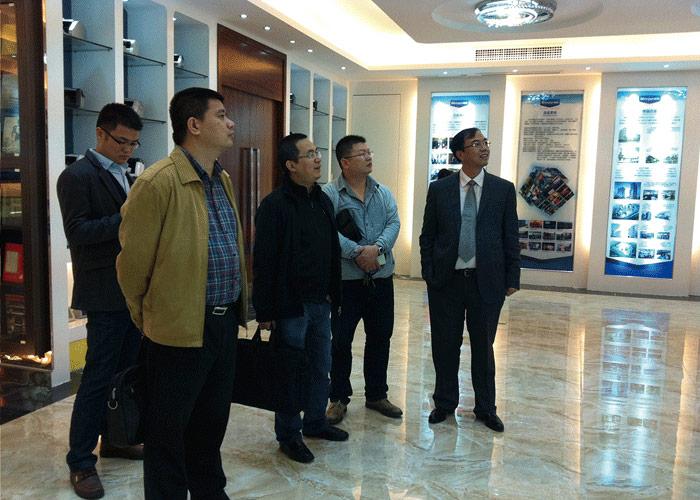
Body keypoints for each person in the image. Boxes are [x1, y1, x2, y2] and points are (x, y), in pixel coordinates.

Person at [116, 87, 247, 499]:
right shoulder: (158, 182)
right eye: (221, 115)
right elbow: (132, 267)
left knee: (210, 426)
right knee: (167, 434)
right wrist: (152, 319)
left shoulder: (221, 179)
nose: (230, 123)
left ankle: (210, 493)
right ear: (194, 125)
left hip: (223, 324)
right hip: (177, 330)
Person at [57, 103, 144, 500]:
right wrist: (128, 217)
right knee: (97, 377)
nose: (127, 150)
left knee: (125, 373)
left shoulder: (127, 172)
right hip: (103, 291)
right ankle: (80, 460)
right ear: (99, 134)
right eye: (121, 141)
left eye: (134, 143)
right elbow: (78, 232)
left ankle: (116, 439)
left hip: (130, 290)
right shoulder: (76, 176)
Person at [253, 133, 347, 464]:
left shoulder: (322, 201)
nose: (318, 158)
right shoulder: (274, 206)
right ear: (291, 165)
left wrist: (334, 294)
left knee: (321, 367)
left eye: (317, 152)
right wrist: (264, 310)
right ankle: (289, 434)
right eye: (309, 154)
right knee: (290, 372)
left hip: (321, 302)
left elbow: (331, 252)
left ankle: (316, 421)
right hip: (290, 306)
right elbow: (263, 261)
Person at [419, 127, 520, 432]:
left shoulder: (502, 189)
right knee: (445, 345)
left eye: (485, 142)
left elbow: (510, 236)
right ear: (460, 154)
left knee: (483, 347)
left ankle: (486, 408)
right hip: (446, 281)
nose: (484, 148)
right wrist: (429, 273)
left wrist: (512, 276)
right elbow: (428, 235)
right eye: (476, 144)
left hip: (486, 281)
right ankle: (444, 403)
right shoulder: (440, 190)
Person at [322, 135, 402, 424]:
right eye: (362, 154)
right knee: (341, 341)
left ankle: (377, 394)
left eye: (370, 152)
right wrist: (357, 252)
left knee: (380, 337)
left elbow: (394, 222)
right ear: (345, 162)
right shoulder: (329, 194)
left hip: (381, 278)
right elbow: (327, 231)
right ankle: (338, 398)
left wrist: (377, 249)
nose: (369, 157)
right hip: (346, 282)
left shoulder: (382, 192)